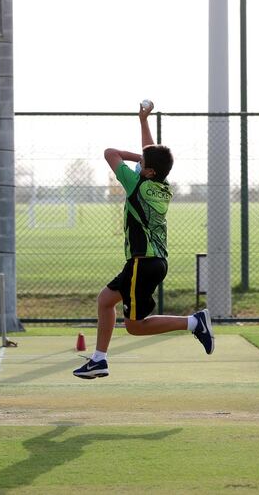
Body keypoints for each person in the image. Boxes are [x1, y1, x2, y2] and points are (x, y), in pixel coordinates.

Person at [73, 100, 214, 380]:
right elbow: (150, 158)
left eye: (143, 163)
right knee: (105, 300)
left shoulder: (136, 184)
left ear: (147, 171)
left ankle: (194, 322)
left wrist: (137, 157)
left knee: (135, 326)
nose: (139, 163)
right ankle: (99, 360)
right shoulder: (161, 185)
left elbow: (110, 153)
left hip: (143, 261)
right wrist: (143, 121)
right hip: (153, 260)